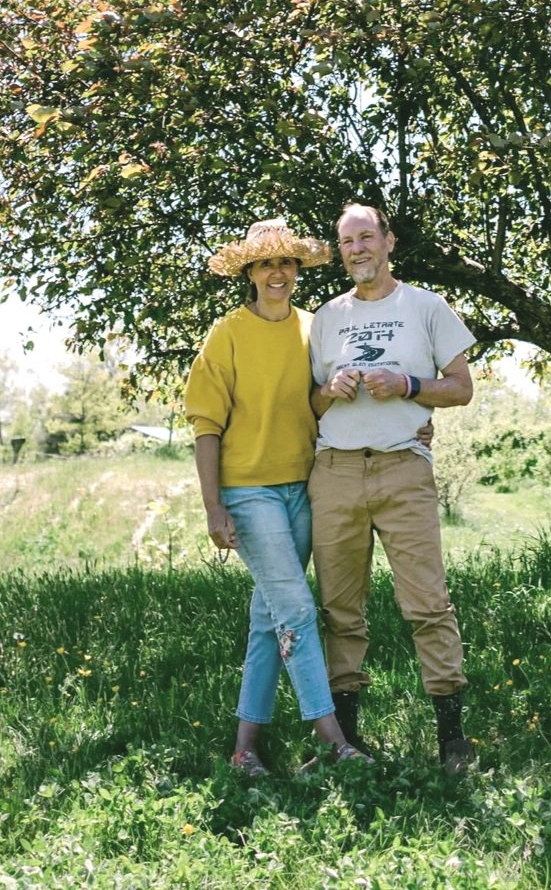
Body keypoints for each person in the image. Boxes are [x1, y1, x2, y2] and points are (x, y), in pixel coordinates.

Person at [186, 217, 369, 775]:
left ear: (296, 270)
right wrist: (213, 506)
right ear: (250, 272)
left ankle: (245, 750)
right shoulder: (228, 333)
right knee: (294, 608)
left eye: (286, 262)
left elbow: (323, 400)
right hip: (247, 492)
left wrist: (411, 420)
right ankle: (334, 741)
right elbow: (205, 425)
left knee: (269, 617)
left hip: (303, 487)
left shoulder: (315, 329)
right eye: (265, 263)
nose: (277, 272)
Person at [308, 201, 479, 771]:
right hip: (334, 472)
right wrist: (330, 388)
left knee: (428, 603)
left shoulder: (426, 307)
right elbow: (307, 404)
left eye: (366, 237)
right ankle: (345, 742)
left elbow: (460, 388)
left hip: (403, 468)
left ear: (388, 241)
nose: (357, 249)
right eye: (347, 242)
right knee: (339, 609)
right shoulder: (326, 317)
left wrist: (406, 383)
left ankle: (452, 739)